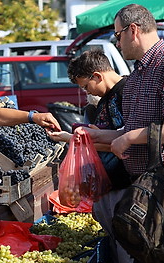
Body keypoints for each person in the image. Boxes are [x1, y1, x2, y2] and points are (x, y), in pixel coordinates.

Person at [77, 4, 164, 263]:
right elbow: (128, 130)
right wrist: (95, 135)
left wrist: (129, 139)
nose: (117, 43)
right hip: (146, 183)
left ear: (133, 30)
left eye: (117, 35)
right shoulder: (138, 73)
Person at [47, 49, 130, 186]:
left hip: (127, 182)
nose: (87, 91)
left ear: (97, 76)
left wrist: (73, 138)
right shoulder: (104, 99)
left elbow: (123, 142)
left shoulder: (128, 92)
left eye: (86, 86)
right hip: (109, 182)